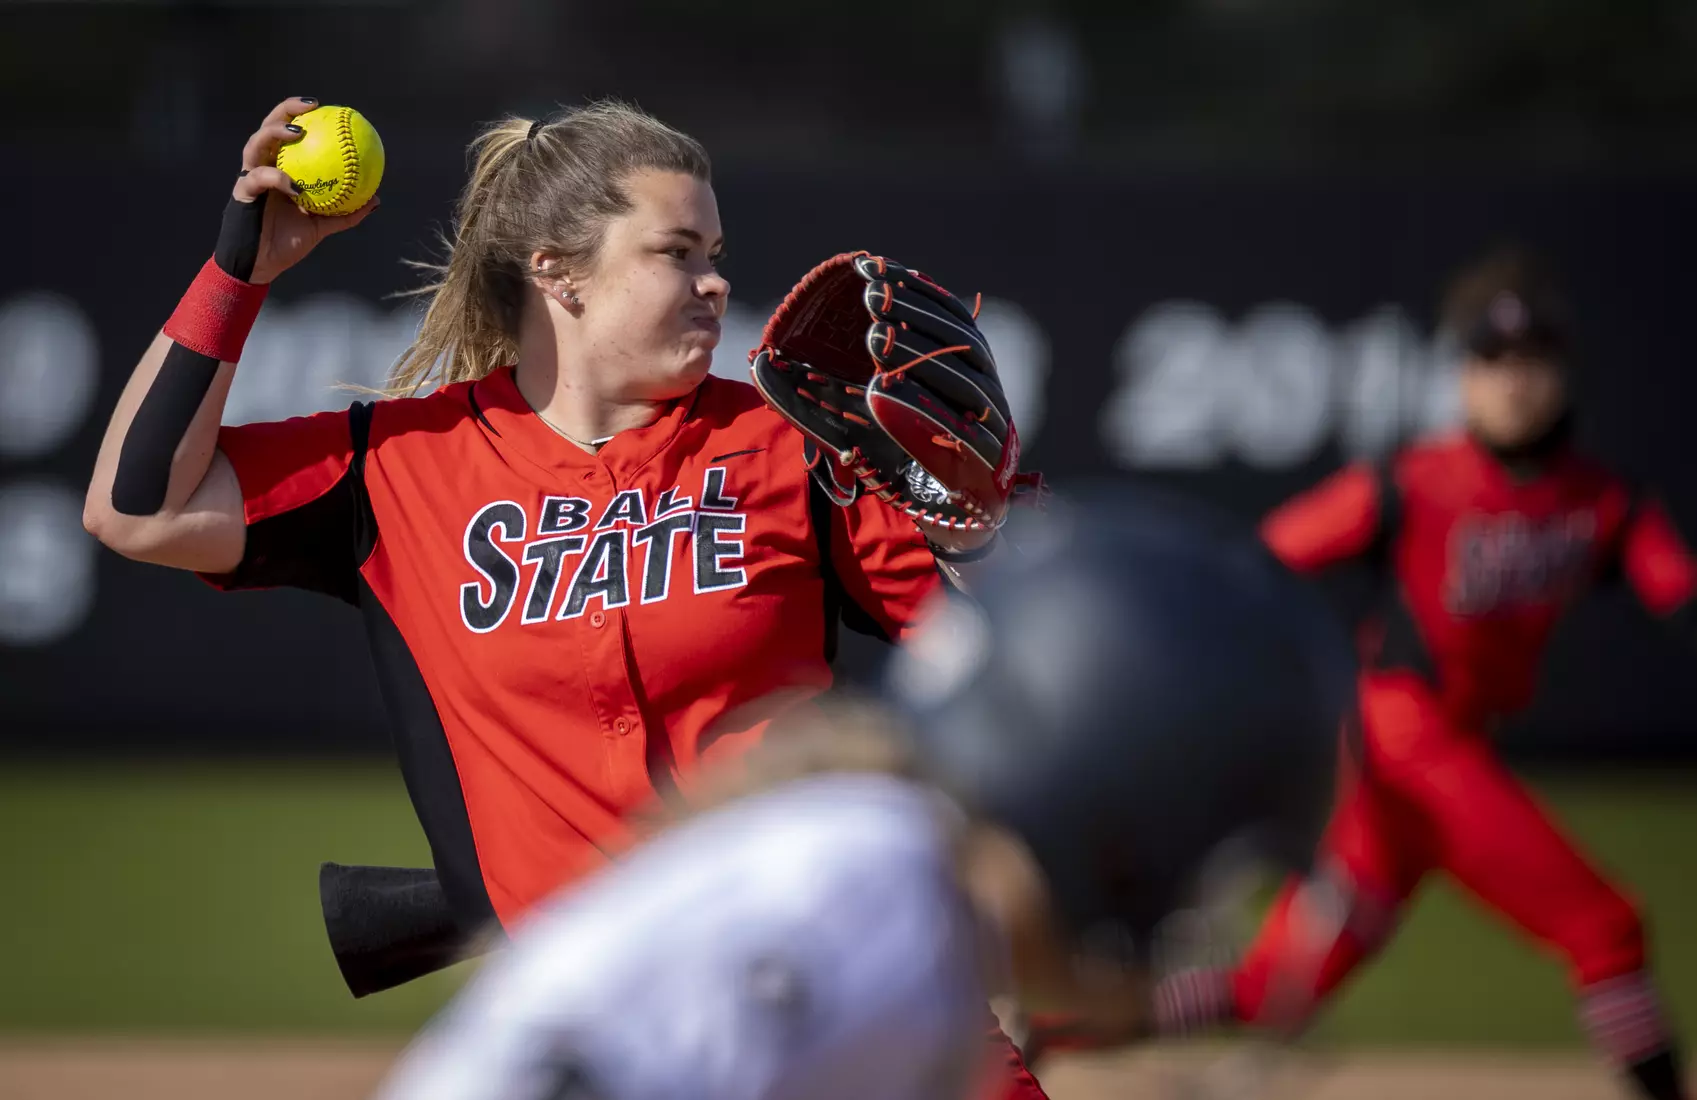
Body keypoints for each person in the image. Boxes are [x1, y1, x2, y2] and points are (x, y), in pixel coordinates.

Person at [80, 97, 1040, 1097]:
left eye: (714, 249)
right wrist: (241, 270)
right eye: (675, 250)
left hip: (834, 978)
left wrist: (974, 532)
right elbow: (136, 507)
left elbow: (989, 656)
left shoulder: (786, 443)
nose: (714, 281)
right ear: (557, 270)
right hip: (613, 1027)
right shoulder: (401, 464)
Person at [367, 487, 1356, 1100]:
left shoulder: (918, 915)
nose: (1197, 916)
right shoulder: (870, 896)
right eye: (1205, 873)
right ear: (1118, 817)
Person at [1127, 247, 1697, 1100]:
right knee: (1604, 926)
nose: (1513, 380)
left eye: (1532, 359)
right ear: (1462, 376)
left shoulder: (1604, 501)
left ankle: (1058, 1023)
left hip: (1442, 762)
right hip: (1403, 737)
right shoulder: (1416, 484)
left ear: (1564, 371)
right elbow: (1262, 559)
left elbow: (1676, 591)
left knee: (1269, 990)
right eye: (1490, 359)